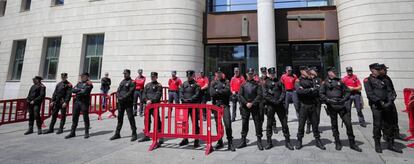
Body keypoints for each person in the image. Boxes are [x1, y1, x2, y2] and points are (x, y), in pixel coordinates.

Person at [320, 67, 362, 152]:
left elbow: (347, 91)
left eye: (335, 71)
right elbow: (321, 93)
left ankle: (352, 143)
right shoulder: (325, 82)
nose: (335, 72)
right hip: (331, 106)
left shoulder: (340, 81)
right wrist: (327, 100)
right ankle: (337, 141)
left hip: (342, 106)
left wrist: (344, 99)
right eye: (333, 71)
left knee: (348, 124)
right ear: (329, 73)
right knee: (334, 125)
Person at [364, 63, 402, 153]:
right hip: (377, 106)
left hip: (387, 105)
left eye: (379, 69)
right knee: (377, 125)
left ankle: (391, 144)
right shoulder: (367, 80)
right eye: (377, 70)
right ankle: (377, 144)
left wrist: (390, 101)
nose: (379, 71)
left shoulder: (385, 79)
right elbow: (370, 94)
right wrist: (381, 102)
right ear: (372, 70)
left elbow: (390, 91)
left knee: (389, 125)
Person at [263, 67, 294, 150]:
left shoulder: (279, 81)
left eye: (274, 73)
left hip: (280, 105)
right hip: (271, 106)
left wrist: (279, 100)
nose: (272, 75)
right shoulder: (266, 82)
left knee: (284, 123)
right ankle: (269, 142)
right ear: (269, 74)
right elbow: (265, 94)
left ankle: (288, 142)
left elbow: (284, 92)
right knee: (269, 124)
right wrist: (273, 101)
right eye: (271, 73)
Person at [295, 66, 325, 150]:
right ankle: (299, 141)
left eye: (308, 70)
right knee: (301, 125)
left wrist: (307, 90)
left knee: (315, 124)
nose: (307, 71)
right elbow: (299, 91)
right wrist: (311, 90)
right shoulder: (298, 80)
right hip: (303, 105)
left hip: (312, 104)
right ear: (301, 71)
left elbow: (318, 90)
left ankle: (318, 140)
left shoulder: (311, 79)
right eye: (305, 70)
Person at [237, 68, 264, 150]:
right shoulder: (243, 84)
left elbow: (260, 95)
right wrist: (246, 103)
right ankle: (243, 141)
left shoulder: (257, 84)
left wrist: (252, 103)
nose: (250, 75)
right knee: (244, 123)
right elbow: (240, 95)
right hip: (245, 107)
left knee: (258, 123)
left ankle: (259, 141)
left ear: (253, 74)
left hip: (255, 106)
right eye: (249, 74)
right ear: (246, 74)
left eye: (252, 73)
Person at [210, 68, 235, 151]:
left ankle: (230, 142)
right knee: (218, 125)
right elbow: (212, 93)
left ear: (222, 73)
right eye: (217, 73)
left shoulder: (226, 81)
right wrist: (221, 91)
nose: (219, 74)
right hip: (216, 106)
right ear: (215, 74)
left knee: (228, 124)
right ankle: (219, 141)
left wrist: (217, 91)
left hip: (225, 105)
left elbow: (228, 91)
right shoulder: (213, 82)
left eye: (220, 73)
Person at [110, 69, 138, 141]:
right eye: (124, 74)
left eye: (125, 73)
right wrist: (118, 96)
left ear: (129, 74)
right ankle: (117, 133)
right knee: (120, 118)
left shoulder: (132, 82)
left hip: (128, 102)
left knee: (130, 117)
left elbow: (130, 92)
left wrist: (122, 97)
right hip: (121, 103)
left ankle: (134, 133)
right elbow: (118, 90)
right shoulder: (122, 81)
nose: (124, 75)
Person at [379, 64, 404, 140]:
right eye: (385, 69)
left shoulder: (387, 78)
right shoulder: (378, 79)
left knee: (394, 118)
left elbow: (392, 88)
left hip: (391, 101)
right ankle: (386, 135)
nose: (386, 71)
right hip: (385, 102)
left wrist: (394, 94)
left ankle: (396, 133)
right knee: (385, 120)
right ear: (380, 70)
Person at [65, 72, 93, 139]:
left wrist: (78, 90)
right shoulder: (79, 83)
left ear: (87, 77)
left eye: (83, 76)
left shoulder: (89, 84)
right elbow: (73, 90)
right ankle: (72, 132)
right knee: (74, 117)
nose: (81, 77)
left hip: (84, 102)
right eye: (81, 76)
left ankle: (86, 132)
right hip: (77, 102)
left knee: (85, 117)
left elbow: (84, 92)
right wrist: (80, 89)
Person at [139, 72, 163, 145]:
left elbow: (158, 95)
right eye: (151, 76)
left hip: (154, 105)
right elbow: (143, 94)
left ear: (156, 77)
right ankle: (147, 135)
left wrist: (151, 101)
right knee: (147, 120)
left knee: (157, 120)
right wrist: (146, 100)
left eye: (154, 76)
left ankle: (160, 135)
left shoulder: (159, 85)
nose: (152, 77)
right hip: (147, 105)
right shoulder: (147, 85)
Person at [178, 70, 201, 148]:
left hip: (193, 106)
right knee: (184, 123)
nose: (188, 77)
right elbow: (181, 92)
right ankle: (185, 138)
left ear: (192, 76)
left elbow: (197, 94)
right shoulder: (184, 84)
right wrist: (183, 99)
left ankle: (196, 139)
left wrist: (189, 100)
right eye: (187, 76)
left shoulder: (196, 84)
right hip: (185, 106)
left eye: (190, 76)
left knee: (195, 123)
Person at [306, 67, 322, 134]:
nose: (315, 72)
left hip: (317, 99)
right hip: (309, 100)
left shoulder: (319, 79)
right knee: (309, 114)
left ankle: (316, 128)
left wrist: (314, 89)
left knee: (317, 114)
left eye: (316, 71)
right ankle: (308, 127)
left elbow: (320, 89)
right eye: (314, 71)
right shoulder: (307, 79)